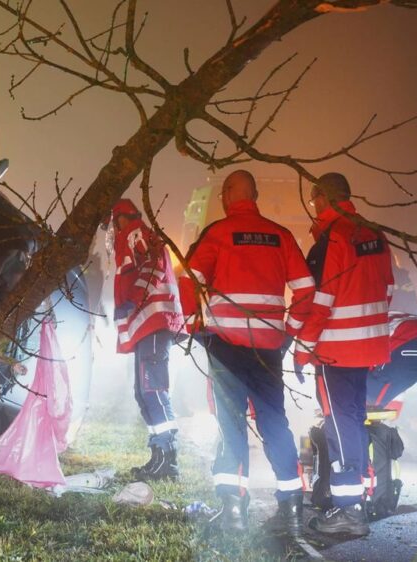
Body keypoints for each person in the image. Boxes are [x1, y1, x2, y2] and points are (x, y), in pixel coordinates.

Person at [179, 170, 314, 534]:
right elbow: (306, 290)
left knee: (231, 424)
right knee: (275, 424)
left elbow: (189, 279)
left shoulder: (218, 233)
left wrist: (194, 325)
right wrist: (290, 333)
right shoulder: (281, 236)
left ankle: (233, 511)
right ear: (254, 195)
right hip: (268, 347)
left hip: (225, 347)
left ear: (226, 196)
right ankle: (292, 510)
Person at [295, 172, 393, 536]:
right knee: (351, 418)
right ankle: (356, 503)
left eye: (314, 200)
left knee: (339, 425)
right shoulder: (376, 234)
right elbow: (387, 289)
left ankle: (348, 511)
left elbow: (319, 303)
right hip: (368, 346)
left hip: (336, 350)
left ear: (323, 198)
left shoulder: (332, 239)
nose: (313, 207)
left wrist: (302, 349)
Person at [108, 198, 183, 480]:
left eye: (114, 224)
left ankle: (169, 460)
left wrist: (132, 300)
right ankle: (159, 456)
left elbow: (154, 265)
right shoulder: (134, 235)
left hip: (153, 321)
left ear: (121, 219)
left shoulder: (137, 233)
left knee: (153, 391)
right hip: (147, 323)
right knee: (144, 393)